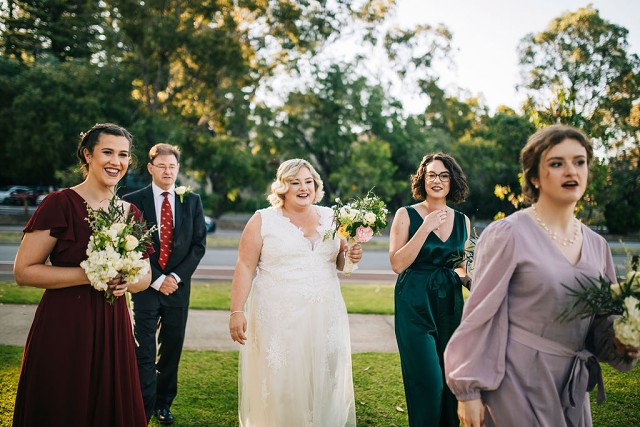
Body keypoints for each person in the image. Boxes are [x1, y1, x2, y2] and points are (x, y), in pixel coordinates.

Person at [444, 124, 640, 427]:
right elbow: (480, 315)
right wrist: (468, 390)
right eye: (557, 163)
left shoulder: (598, 246)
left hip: (572, 391)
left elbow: (600, 325)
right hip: (516, 383)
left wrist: (622, 340)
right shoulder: (507, 234)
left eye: (579, 162)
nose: (571, 171)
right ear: (534, 177)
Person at [12, 123, 150, 426]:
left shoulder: (132, 213)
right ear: (88, 155)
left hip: (113, 325)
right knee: (63, 403)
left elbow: (144, 278)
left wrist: (127, 281)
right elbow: (23, 271)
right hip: (65, 323)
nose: (116, 161)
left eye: (123, 155)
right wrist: (91, 275)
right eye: (107, 152)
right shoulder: (59, 204)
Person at [229, 158, 361, 427]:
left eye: (308, 182)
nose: (303, 188)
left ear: (316, 185)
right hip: (279, 318)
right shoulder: (262, 220)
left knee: (325, 379)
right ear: (282, 187)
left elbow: (341, 263)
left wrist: (351, 256)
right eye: (295, 182)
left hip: (325, 315)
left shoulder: (332, 217)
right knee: (283, 383)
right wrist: (236, 311)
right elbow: (245, 266)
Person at [123, 143, 207, 425]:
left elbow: (198, 246)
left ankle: (163, 404)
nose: (168, 171)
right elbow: (130, 245)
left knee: (171, 349)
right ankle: (142, 407)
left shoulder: (192, 201)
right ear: (150, 168)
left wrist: (174, 278)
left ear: (178, 168)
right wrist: (157, 279)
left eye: (172, 166)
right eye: (162, 166)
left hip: (178, 289)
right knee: (144, 351)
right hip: (145, 286)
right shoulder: (133, 200)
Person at [389, 152, 471, 427]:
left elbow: (459, 266)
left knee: (449, 384)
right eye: (431, 175)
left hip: (449, 305)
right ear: (422, 180)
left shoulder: (462, 220)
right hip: (414, 302)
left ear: (452, 181)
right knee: (428, 384)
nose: (437, 180)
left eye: (444, 175)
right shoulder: (406, 215)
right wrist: (425, 228)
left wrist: (470, 281)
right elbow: (397, 264)